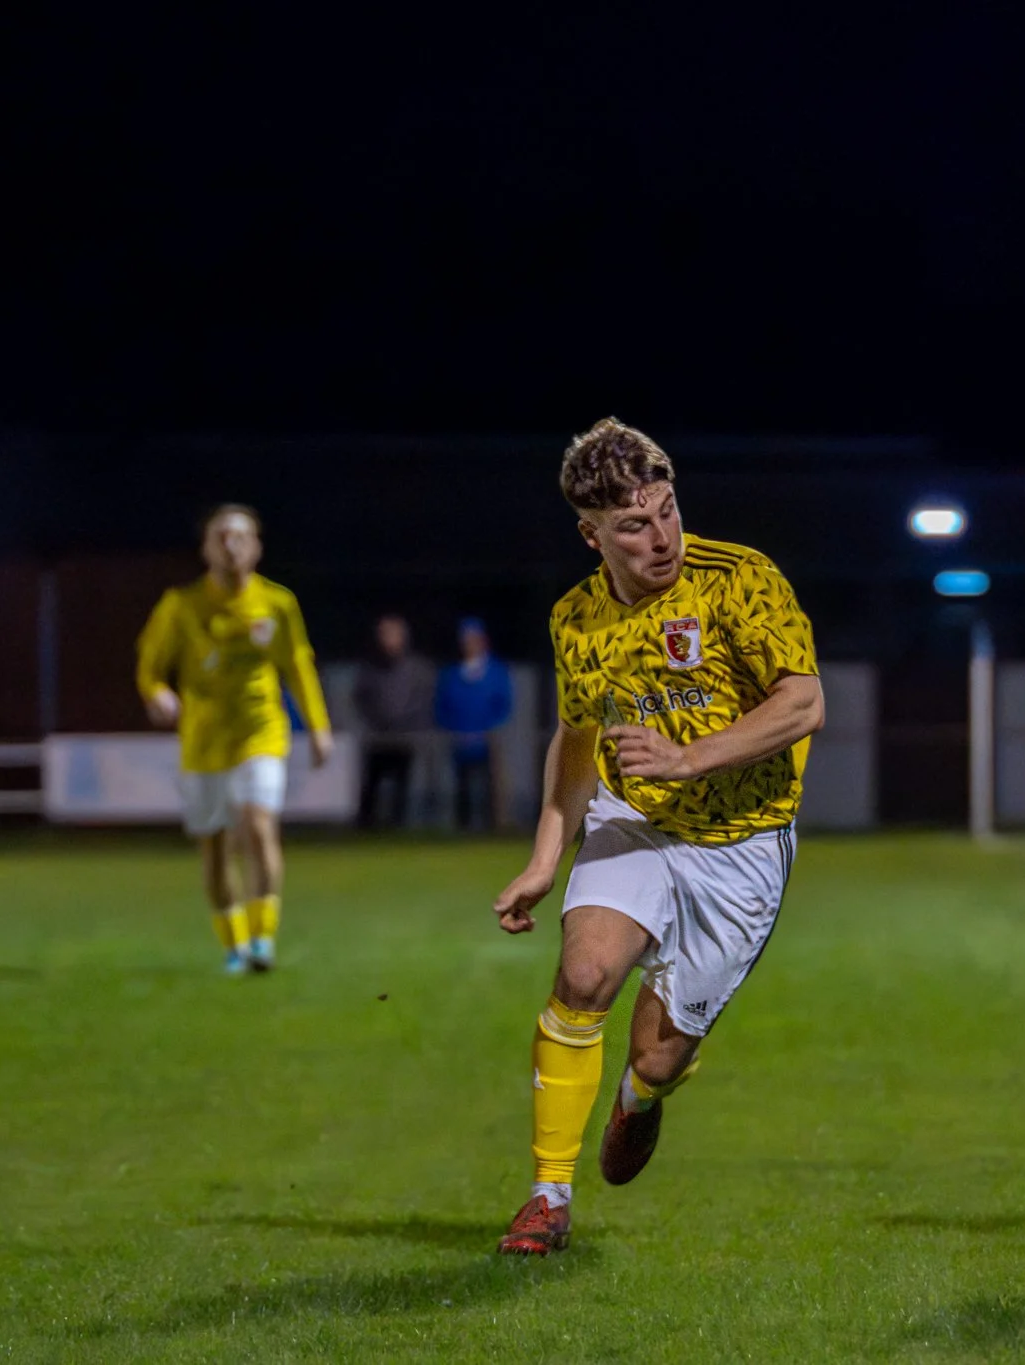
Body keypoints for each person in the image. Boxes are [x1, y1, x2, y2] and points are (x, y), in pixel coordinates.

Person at [491, 418, 823, 1256]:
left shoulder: (738, 579)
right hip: (632, 817)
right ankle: (547, 1195)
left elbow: (803, 703)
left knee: (657, 1056)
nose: (661, 536)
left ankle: (641, 1099)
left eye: (667, 511)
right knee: (584, 971)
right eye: (634, 525)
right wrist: (543, 858)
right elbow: (575, 739)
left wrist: (689, 755)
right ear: (592, 533)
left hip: (741, 841)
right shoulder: (577, 618)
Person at [135, 504, 333, 973]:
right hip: (203, 742)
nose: (231, 545)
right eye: (221, 537)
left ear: (257, 547)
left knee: (259, 824)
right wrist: (156, 692)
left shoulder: (277, 603)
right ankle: (234, 944)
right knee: (216, 845)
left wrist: (319, 726)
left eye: (240, 536)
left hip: (261, 731)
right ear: (205, 548)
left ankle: (263, 939)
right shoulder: (180, 606)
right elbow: (149, 664)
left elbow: (297, 666)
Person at [353, 614, 437, 828]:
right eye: (383, 634)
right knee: (371, 787)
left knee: (402, 786)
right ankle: (365, 830)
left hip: (405, 738)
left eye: (392, 634)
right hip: (378, 738)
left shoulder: (418, 668)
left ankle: (399, 828)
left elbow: (424, 698)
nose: (387, 639)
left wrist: (404, 722)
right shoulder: (370, 668)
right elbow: (360, 698)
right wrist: (378, 720)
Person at [435, 617, 516, 832]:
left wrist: (490, 729)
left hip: (488, 742)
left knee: (490, 787)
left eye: (474, 640)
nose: (469, 644)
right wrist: (452, 729)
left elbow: (504, 705)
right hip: (460, 742)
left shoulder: (496, 672)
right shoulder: (451, 674)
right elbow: (442, 706)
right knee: (462, 788)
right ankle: (463, 828)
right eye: (466, 640)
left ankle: (492, 828)